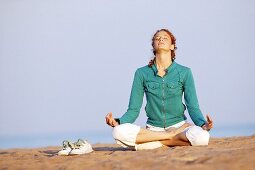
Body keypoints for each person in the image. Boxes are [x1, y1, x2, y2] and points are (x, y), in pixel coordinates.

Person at [105, 28, 213, 150]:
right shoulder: (141, 73)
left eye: (165, 38)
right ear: (154, 46)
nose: (160, 39)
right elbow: (133, 110)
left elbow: (193, 106)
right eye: (157, 38)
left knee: (203, 137)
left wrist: (203, 124)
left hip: (179, 126)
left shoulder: (185, 72)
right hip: (153, 129)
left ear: (172, 46)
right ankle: (168, 138)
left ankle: (157, 143)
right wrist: (118, 122)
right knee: (118, 132)